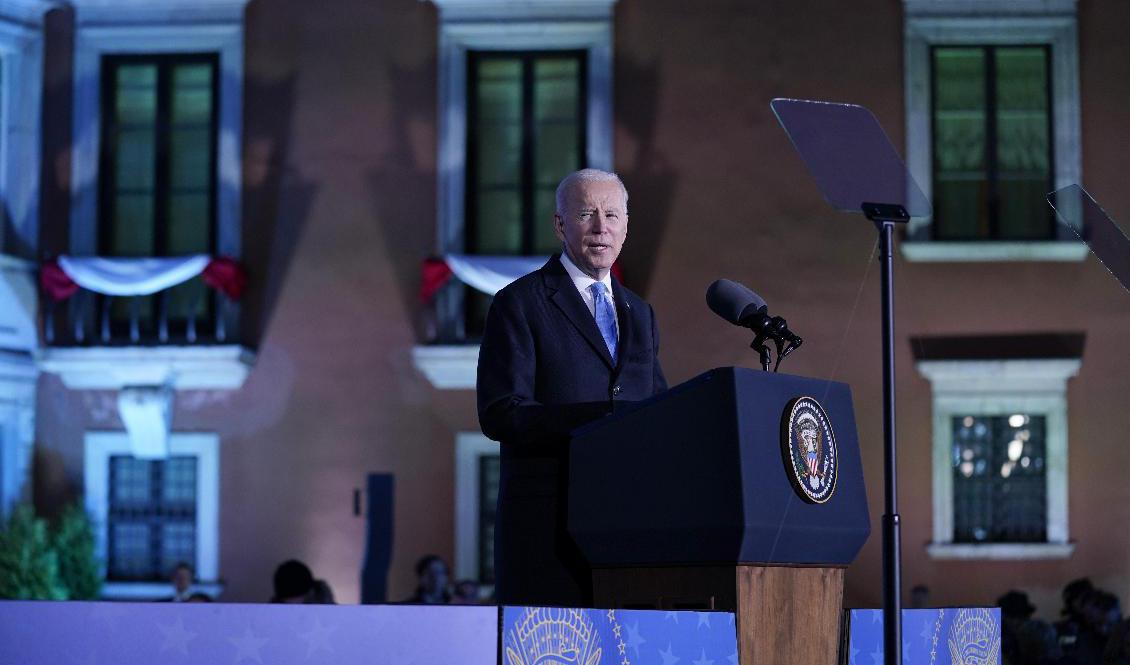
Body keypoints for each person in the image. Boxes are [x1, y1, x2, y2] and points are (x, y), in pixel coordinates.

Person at [477, 168, 668, 606]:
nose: (602, 227)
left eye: (612, 215)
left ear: (626, 226)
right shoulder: (518, 303)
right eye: (587, 214)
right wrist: (602, 420)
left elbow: (656, 407)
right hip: (549, 534)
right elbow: (501, 412)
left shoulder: (641, 314)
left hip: (630, 530)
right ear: (561, 224)